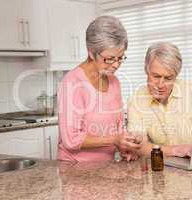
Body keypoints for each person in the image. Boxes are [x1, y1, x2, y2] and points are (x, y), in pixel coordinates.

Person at [57, 16, 141, 162]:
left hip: (105, 168)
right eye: (110, 58)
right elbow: (71, 140)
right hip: (75, 169)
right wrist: (114, 140)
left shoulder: (114, 82)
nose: (116, 65)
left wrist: (125, 146)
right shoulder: (72, 83)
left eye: (120, 57)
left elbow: (119, 127)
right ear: (91, 52)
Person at [127, 42, 192, 158]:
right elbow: (139, 147)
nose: (160, 85)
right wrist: (174, 150)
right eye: (156, 76)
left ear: (176, 76)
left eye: (168, 78)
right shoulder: (136, 101)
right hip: (164, 167)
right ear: (146, 70)